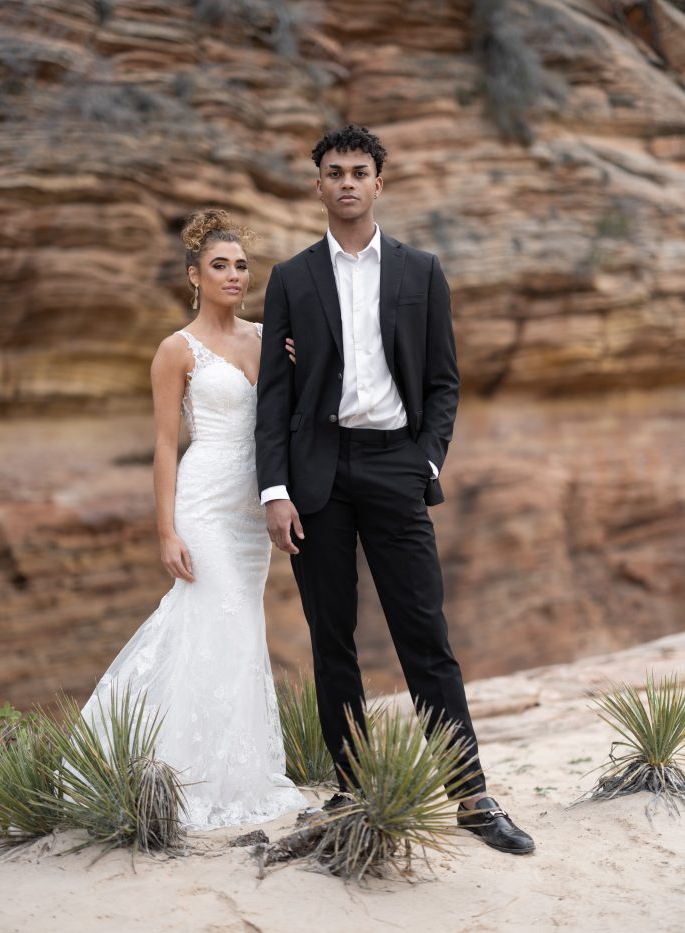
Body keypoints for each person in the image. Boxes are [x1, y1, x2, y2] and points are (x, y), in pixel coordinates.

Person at [255, 125, 535, 854]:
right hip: (315, 474)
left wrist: (426, 463)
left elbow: (444, 381)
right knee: (332, 639)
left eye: (359, 171)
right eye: (334, 172)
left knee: (425, 634)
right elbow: (275, 395)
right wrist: (275, 488)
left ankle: (470, 795)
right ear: (318, 184)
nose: (346, 182)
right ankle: (352, 791)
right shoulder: (291, 278)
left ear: (379, 183)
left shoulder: (421, 271)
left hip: (395, 466)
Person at [79, 208, 306, 829]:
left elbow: (288, 413)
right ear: (194, 276)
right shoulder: (175, 350)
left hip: (253, 508)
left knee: (240, 630)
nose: (234, 275)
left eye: (241, 266)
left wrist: (299, 361)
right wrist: (166, 531)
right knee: (220, 617)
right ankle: (183, 773)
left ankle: (235, 769)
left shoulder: (268, 338)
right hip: (203, 504)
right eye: (219, 265)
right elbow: (163, 444)